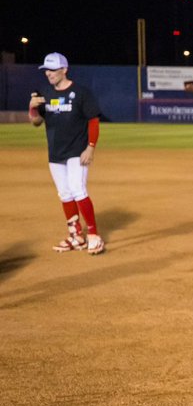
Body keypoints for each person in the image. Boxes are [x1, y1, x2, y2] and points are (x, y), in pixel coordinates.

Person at [28, 52, 106, 255]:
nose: (48, 74)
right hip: (55, 152)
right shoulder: (45, 93)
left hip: (77, 151)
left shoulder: (81, 93)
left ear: (64, 69)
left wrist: (90, 147)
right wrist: (33, 109)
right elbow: (36, 123)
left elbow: (93, 121)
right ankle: (75, 236)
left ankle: (94, 235)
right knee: (65, 193)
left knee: (78, 189)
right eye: (46, 70)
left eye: (52, 70)